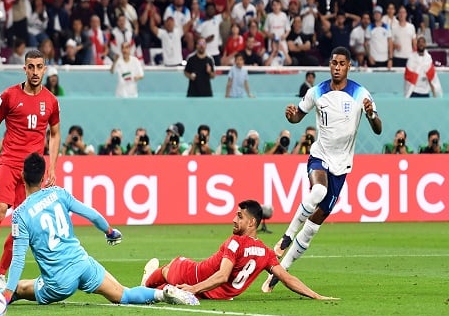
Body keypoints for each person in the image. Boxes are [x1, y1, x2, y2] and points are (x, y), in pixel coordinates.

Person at [0, 152, 200, 307]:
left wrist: (6, 293)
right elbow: (91, 214)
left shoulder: (21, 215)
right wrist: (109, 231)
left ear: (22, 178)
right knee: (123, 295)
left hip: (58, 282)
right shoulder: (58, 193)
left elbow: (16, 261)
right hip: (83, 264)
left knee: (19, 289)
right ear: (44, 174)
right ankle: (162, 295)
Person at [262, 46, 383, 293]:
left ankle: (280, 273)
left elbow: (378, 128)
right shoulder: (316, 92)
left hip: (342, 164)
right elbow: (298, 116)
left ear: (349, 66)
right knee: (317, 190)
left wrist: (371, 115)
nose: (336, 67)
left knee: (314, 225)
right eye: (333, 62)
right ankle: (285, 237)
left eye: (341, 63)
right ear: (329, 65)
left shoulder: (360, 94)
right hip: (320, 156)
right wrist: (291, 116)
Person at [0, 49, 61, 290]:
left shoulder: (51, 101)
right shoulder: (9, 95)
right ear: (25, 69)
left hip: (32, 172)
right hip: (9, 162)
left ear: (45, 69)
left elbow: (56, 133)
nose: (35, 72)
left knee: (22, 224)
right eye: (31, 67)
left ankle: (0, 273)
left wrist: (52, 167)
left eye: (40, 67)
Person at [141, 200, 337, 301]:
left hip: (191, 276)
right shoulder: (266, 253)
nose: (234, 220)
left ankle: (147, 280)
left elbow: (222, 276)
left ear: (251, 222)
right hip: (206, 290)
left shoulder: (235, 243)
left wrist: (192, 289)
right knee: (159, 290)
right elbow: (287, 279)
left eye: (239, 216)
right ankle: (147, 282)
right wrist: (315, 295)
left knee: (167, 272)